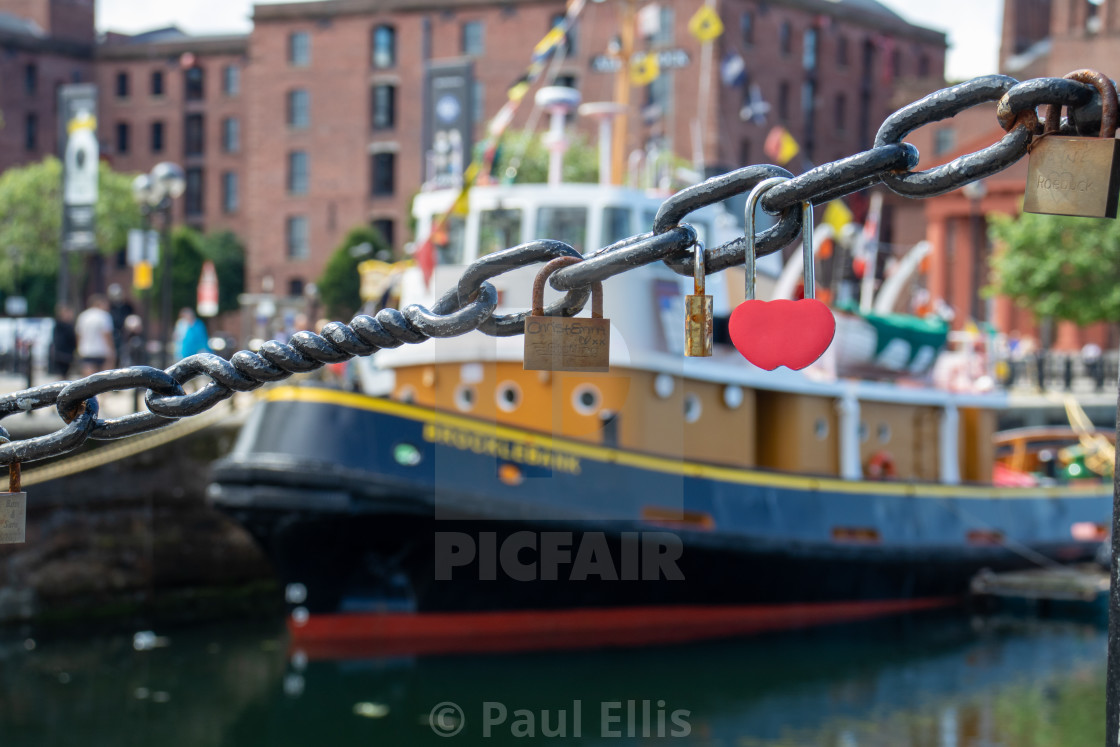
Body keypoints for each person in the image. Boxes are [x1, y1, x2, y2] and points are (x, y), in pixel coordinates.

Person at [75, 294, 115, 376]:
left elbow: (79, 334)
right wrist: (111, 350)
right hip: (101, 350)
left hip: (86, 350)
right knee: (103, 379)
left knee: (89, 379)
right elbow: (107, 335)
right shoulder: (104, 316)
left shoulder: (83, 316)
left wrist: (78, 348)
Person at [49, 304, 77, 378]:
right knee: (62, 375)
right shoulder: (62, 326)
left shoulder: (60, 325)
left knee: (64, 375)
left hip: (65, 353)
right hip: (63, 353)